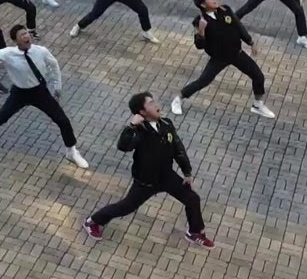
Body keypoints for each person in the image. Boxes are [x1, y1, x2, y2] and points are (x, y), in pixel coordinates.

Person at [83, 92, 214, 248]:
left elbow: (178, 149)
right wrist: (131, 126)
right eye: (151, 103)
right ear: (142, 112)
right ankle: (93, 221)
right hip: (145, 182)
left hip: (166, 176)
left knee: (192, 199)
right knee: (126, 207)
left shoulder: (166, 124)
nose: (157, 105)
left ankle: (195, 232)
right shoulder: (139, 132)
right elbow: (123, 146)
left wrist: (187, 173)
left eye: (155, 101)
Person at [0, 25, 89, 168]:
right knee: (0, 118)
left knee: (62, 120)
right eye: (22, 35)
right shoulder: (8, 53)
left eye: (26, 33)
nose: (26, 37)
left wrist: (57, 87)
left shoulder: (41, 51)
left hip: (39, 92)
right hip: (19, 93)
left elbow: (54, 65)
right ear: (15, 40)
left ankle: (71, 151)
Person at [170, 0, 276, 118]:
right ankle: (179, 98)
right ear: (203, 5)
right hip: (219, 58)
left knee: (258, 76)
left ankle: (257, 105)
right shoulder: (200, 21)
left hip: (237, 53)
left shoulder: (225, 10)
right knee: (203, 81)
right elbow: (199, 45)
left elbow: (238, 26)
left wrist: (250, 41)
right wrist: (202, 31)